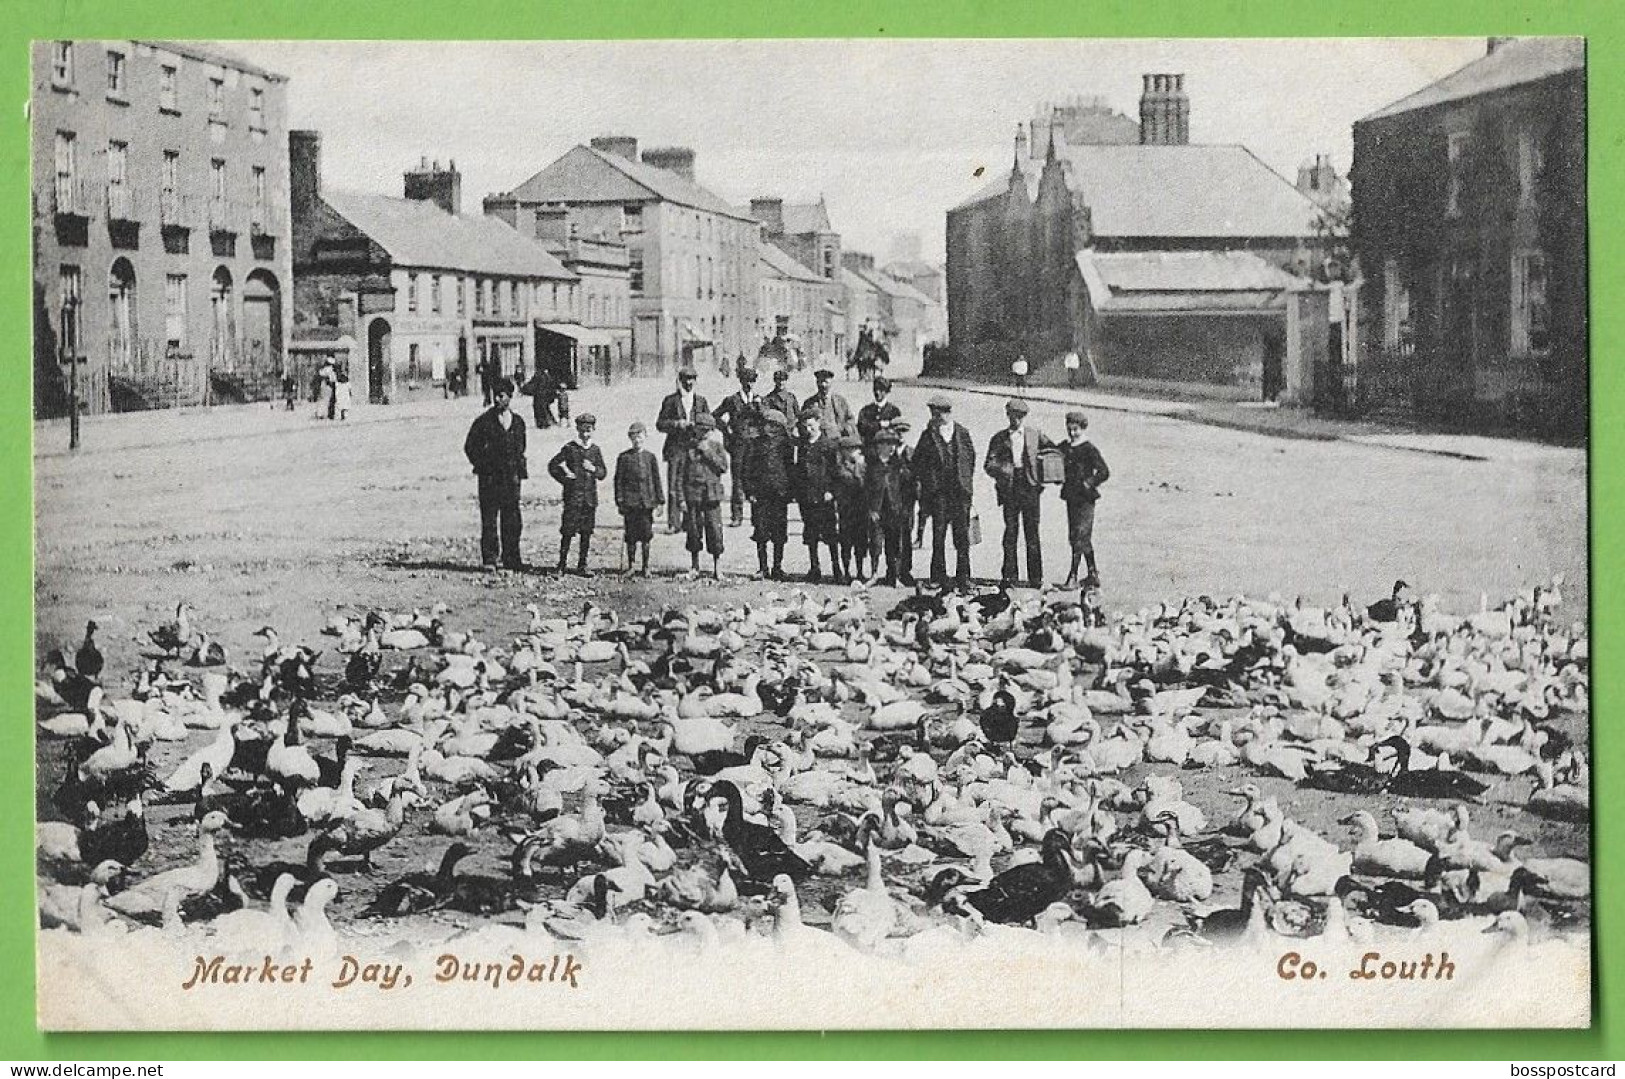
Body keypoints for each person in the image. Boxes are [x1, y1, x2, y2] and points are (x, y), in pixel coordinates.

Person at [984, 398, 1055, 589]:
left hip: (1030, 487)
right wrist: (1004, 470)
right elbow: (989, 464)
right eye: (1013, 416)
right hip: (1010, 488)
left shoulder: (1034, 434)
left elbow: (1052, 451)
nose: (1016, 420)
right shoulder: (999, 438)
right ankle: (1009, 577)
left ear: (1025, 417)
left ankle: (1035, 578)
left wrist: (1043, 472)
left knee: (1032, 533)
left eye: (1020, 417)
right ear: (1008, 416)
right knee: (1011, 533)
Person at [462, 376, 528, 571]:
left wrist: (517, 469)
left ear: (510, 397)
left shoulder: (518, 422)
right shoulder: (483, 421)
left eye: (502, 396)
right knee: (489, 519)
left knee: (512, 519)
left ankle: (512, 558)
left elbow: (521, 448)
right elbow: (470, 447)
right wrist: (483, 465)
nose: (498, 400)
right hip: (489, 479)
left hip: (511, 479)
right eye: (495, 396)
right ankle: (490, 559)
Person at [912, 394, 976, 591]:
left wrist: (965, 483)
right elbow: (918, 462)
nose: (935, 418)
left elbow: (970, 458)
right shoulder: (928, 435)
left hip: (959, 493)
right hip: (939, 494)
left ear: (947, 413)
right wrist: (929, 483)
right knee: (938, 535)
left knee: (962, 537)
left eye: (938, 414)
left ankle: (963, 577)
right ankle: (938, 576)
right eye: (933, 414)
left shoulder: (962, 433)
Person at [548, 413, 608, 577]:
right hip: (573, 498)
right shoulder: (570, 448)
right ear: (577, 430)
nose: (585, 434)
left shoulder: (595, 450)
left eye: (588, 430)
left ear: (593, 430)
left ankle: (582, 565)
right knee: (567, 532)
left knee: (586, 532)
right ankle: (561, 565)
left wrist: (593, 469)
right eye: (582, 430)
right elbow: (553, 465)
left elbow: (603, 473)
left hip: (589, 500)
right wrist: (565, 478)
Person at [1057, 410, 1110, 590]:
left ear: (1083, 428)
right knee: (1077, 536)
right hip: (1071, 497)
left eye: (1076, 430)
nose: (1072, 433)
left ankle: (1072, 576)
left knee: (1080, 535)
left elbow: (1104, 471)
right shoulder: (1065, 447)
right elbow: (1052, 458)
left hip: (1086, 499)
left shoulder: (1089, 448)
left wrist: (1090, 482)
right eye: (1069, 429)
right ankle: (1093, 574)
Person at [656, 366, 711, 534]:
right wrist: (676, 424)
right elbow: (660, 424)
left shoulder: (701, 401)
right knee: (674, 485)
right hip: (676, 448)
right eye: (686, 379)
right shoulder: (670, 401)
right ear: (680, 381)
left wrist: (701, 430)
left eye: (692, 379)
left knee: (691, 483)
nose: (689, 382)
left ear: (696, 381)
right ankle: (674, 522)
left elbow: (709, 423)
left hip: (694, 448)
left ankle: (689, 522)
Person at [794, 408, 842, 584]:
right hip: (807, 496)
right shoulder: (803, 446)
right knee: (811, 533)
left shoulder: (828, 445)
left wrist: (831, 491)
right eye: (805, 426)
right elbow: (799, 470)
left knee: (830, 534)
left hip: (824, 496)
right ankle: (815, 567)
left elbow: (835, 471)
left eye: (811, 426)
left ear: (819, 423)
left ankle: (837, 568)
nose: (808, 430)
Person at [712, 365, 762, 528]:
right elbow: (715, 416)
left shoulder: (759, 399)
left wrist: (759, 407)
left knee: (755, 479)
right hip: (738, 444)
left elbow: (765, 419)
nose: (749, 385)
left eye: (752, 381)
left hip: (755, 445)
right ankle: (737, 515)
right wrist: (726, 431)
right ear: (741, 382)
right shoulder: (732, 400)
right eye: (746, 381)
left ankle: (757, 516)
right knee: (738, 480)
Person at [681, 412, 728, 580]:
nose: (705, 433)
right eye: (702, 430)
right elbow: (681, 475)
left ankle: (717, 567)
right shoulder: (688, 448)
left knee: (715, 530)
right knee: (693, 530)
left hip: (712, 496)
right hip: (693, 495)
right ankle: (695, 566)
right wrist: (681, 499)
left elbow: (723, 467)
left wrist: (708, 452)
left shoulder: (716, 447)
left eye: (709, 430)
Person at [749, 407, 795, 580]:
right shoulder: (755, 443)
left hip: (779, 494)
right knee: (760, 531)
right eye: (767, 424)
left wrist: (790, 491)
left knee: (779, 532)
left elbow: (791, 469)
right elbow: (747, 470)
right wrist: (750, 491)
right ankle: (763, 567)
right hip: (760, 494)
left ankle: (777, 567)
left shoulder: (786, 444)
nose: (769, 428)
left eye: (774, 425)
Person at [864, 427, 913, 586]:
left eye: (894, 444)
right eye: (887, 444)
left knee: (894, 544)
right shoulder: (871, 466)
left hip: (894, 510)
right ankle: (874, 574)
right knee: (876, 543)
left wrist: (903, 508)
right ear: (879, 446)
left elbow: (907, 486)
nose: (892, 448)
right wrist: (871, 509)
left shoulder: (898, 464)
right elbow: (866, 489)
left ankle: (895, 576)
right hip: (877, 511)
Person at [614, 421, 664, 578]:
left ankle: (646, 567)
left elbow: (656, 480)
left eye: (640, 436)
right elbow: (618, 481)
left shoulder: (650, 458)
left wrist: (660, 501)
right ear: (630, 438)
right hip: (630, 504)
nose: (637, 440)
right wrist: (620, 501)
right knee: (631, 536)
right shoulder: (624, 457)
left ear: (645, 437)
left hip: (646, 503)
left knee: (646, 536)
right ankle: (631, 566)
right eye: (634, 437)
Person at [833, 434, 870, 582]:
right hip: (846, 509)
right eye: (851, 449)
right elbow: (852, 481)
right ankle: (847, 571)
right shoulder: (840, 468)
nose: (855, 451)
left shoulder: (863, 466)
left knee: (861, 541)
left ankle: (860, 571)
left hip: (861, 508)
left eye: (856, 448)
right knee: (846, 541)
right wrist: (856, 469)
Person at [805, 367, 854, 438]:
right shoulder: (809, 403)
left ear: (831, 383)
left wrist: (846, 429)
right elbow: (803, 423)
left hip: (837, 441)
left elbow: (850, 419)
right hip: (818, 443)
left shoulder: (840, 401)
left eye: (826, 382)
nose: (823, 385)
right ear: (816, 383)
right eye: (820, 381)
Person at [856, 376, 902, 447]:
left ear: (887, 391)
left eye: (881, 390)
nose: (877, 392)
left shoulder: (894, 411)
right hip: (869, 450)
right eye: (875, 389)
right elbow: (861, 428)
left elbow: (898, 432)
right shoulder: (865, 411)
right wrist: (880, 425)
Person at [524, 364, 558, 429]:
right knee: (544, 409)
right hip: (544, 395)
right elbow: (552, 386)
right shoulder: (547, 376)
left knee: (539, 409)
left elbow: (532, 384)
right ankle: (547, 423)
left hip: (539, 395)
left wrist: (525, 388)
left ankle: (542, 424)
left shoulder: (538, 375)